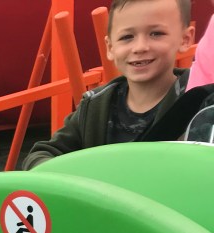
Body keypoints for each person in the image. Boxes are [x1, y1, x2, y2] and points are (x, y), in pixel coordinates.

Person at [24, 0, 195, 169]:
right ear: (110, 47)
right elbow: (42, 153)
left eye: (156, 33)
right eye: (127, 37)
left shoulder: (198, 105)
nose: (140, 47)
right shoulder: (94, 107)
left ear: (185, 39)